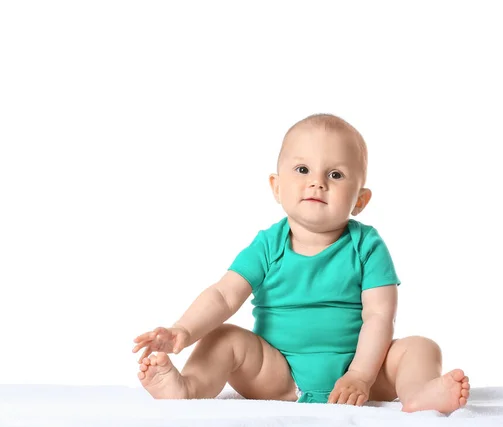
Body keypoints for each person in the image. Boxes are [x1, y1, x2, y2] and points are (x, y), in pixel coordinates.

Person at [132, 113, 470, 413]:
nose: (317, 182)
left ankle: (417, 394)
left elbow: (380, 316)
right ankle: (188, 386)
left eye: (335, 174)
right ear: (276, 187)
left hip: (360, 372)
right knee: (223, 338)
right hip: (277, 372)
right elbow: (223, 296)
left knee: (421, 348)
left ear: (361, 200)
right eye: (302, 169)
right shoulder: (268, 244)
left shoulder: (368, 245)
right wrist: (184, 330)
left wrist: (360, 376)